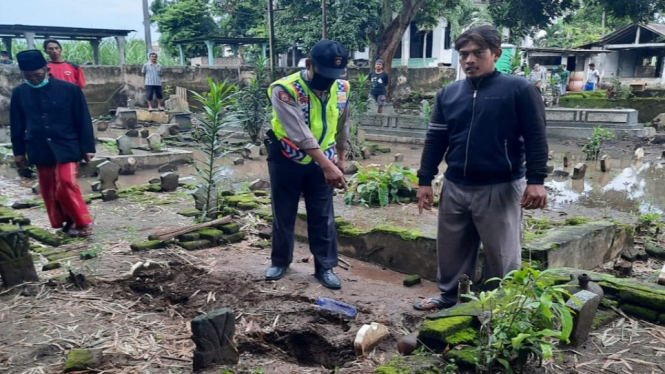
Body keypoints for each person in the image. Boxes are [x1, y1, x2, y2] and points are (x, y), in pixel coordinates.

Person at [413, 25, 548, 311]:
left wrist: (536, 180)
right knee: (452, 249)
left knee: (502, 255)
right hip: (456, 185)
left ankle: (501, 307)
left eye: (478, 53)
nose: (469, 60)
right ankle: (450, 297)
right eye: (463, 54)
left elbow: (537, 138)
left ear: (496, 54)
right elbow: (436, 139)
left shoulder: (519, 90)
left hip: (499, 186)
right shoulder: (448, 94)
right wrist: (425, 180)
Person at [263, 40, 350, 289]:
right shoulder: (284, 89)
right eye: (325, 75)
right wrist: (327, 165)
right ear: (309, 65)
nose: (330, 81)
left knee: (322, 214)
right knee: (284, 211)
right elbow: (299, 133)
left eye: (336, 75)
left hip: (326, 159)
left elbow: (343, 123)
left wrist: (341, 158)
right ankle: (280, 261)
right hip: (286, 157)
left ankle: (325, 266)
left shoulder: (342, 88)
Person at [10, 50, 95, 237]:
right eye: (28, 76)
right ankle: (68, 220)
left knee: (65, 182)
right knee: (48, 189)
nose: (33, 79)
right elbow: (17, 125)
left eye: (37, 75)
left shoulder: (69, 89)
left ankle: (83, 220)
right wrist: (18, 153)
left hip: (67, 145)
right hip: (38, 146)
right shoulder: (19, 93)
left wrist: (88, 147)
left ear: (46, 69)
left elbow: (82, 119)